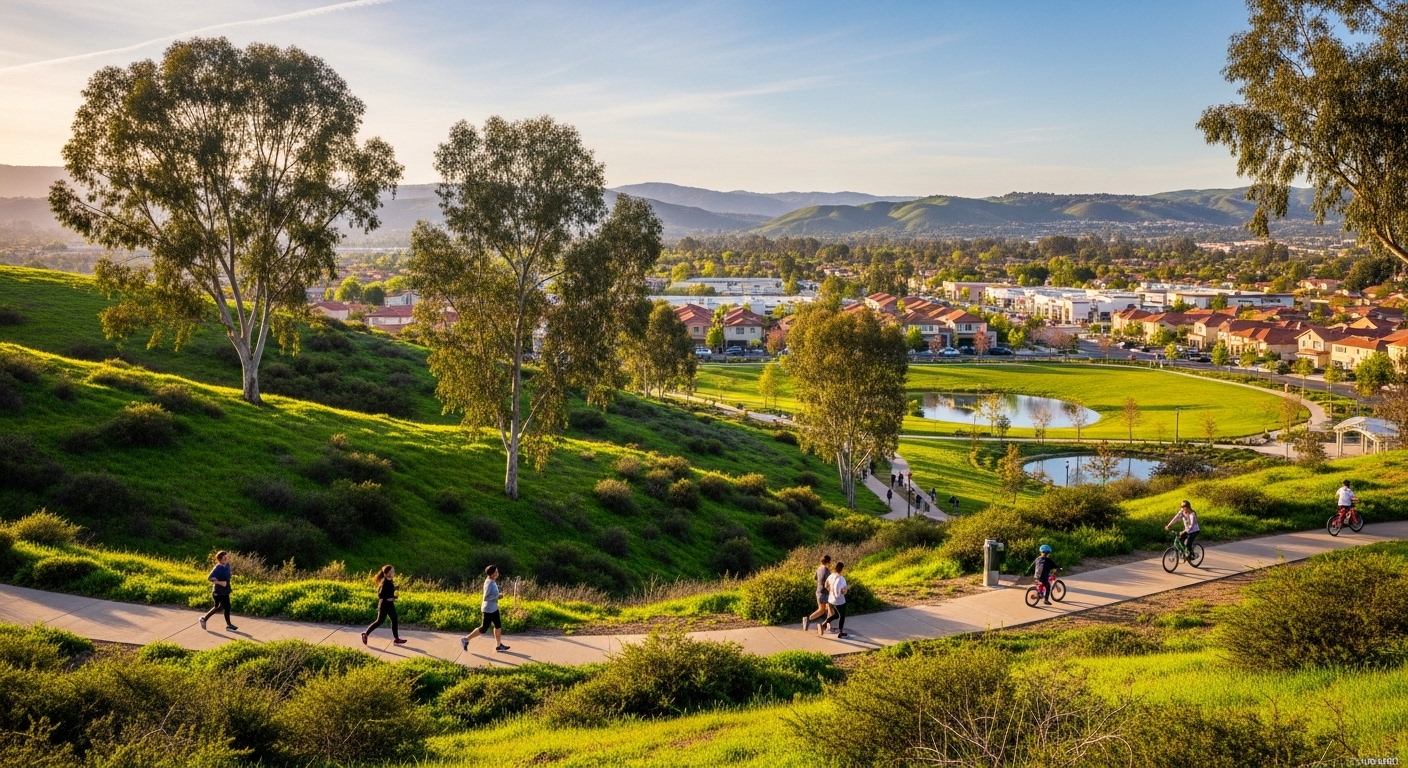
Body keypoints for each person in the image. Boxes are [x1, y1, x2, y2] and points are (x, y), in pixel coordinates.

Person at [460, 564, 510, 653]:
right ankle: (466, 639)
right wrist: (498, 597)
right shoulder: (489, 583)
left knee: (498, 625)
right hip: (488, 610)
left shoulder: (492, 581)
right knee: (483, 628)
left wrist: (497, 596)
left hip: (493, 608)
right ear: (492, 574)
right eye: (496, 572)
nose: (498, 573)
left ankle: (499, 645)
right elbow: (486, 597)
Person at [362, 564, 407, 646]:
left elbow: (389, 592)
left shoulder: (389, 581)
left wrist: (393, 595)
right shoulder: (384, 583)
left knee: (394, 619)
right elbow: (380, 595)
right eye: (392, 571)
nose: (394, 573)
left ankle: (396, 639)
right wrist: (390, 598)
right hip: (384, 605)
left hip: (389, 604)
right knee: (380, 621)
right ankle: (365, 634)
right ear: (388, 573)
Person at [199, 550, 237, 631]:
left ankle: (204, 619)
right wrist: (219, 582)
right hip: (218, 592)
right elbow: (209, 578)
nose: (226, 560)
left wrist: (230, 575)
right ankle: (229, 625)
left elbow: (228, 573)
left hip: (225, 591)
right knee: (226, 607)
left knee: (219, 607)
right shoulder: (217, 568)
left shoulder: (227, 565)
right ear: (220, 560)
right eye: (224, 558)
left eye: (227, 558)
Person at [802, 554, 832, 631]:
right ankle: (827, 625)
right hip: (825, 592)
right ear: (828, 562)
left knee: (823, 609)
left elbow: (815, 578)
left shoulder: (818, 569)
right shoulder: (827, 570)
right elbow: (830, 581)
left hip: (818, 591)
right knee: (827, 609)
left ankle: (809, 619)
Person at [820, 562, 849, 638]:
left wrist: (831, 591)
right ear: (842, 569)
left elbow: (826, 585)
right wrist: (846, 588)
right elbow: (843, 592)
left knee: (836, 615)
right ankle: (840, 632)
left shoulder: (831, 576)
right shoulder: (842, 579)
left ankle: (824, 623)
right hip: (839, 601)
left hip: (831, 600)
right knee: (842, 616)